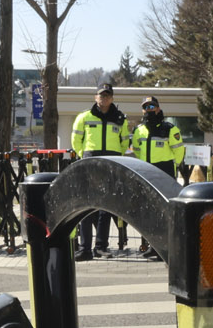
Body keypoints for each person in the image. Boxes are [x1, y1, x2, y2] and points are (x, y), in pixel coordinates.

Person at [71, 83, 129, 260]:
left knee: (105, 207)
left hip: (110, 163)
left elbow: (124, 141)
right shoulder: (84, 117)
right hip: (89, 162)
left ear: (112, 98)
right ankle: (84, 249)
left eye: (107, 95)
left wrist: (117, 156)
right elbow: (76, 140)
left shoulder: (120, 119)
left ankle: (101, 247)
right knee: (86, 206)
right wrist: (83, 155)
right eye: (101, 95)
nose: (104, 98)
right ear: (96, 97)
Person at [126, 96, 186, 260]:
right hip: (146, 171)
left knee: (165, 209)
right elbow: (137, 150)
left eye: (152, 106)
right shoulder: (138, 130)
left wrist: (173, 166)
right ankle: (151, 246)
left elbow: (179, 152)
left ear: (158, 108)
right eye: (145, 107)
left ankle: (168, 246)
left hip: (165, 171)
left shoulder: (170, 129)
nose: (149, 109)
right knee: (147, 210)